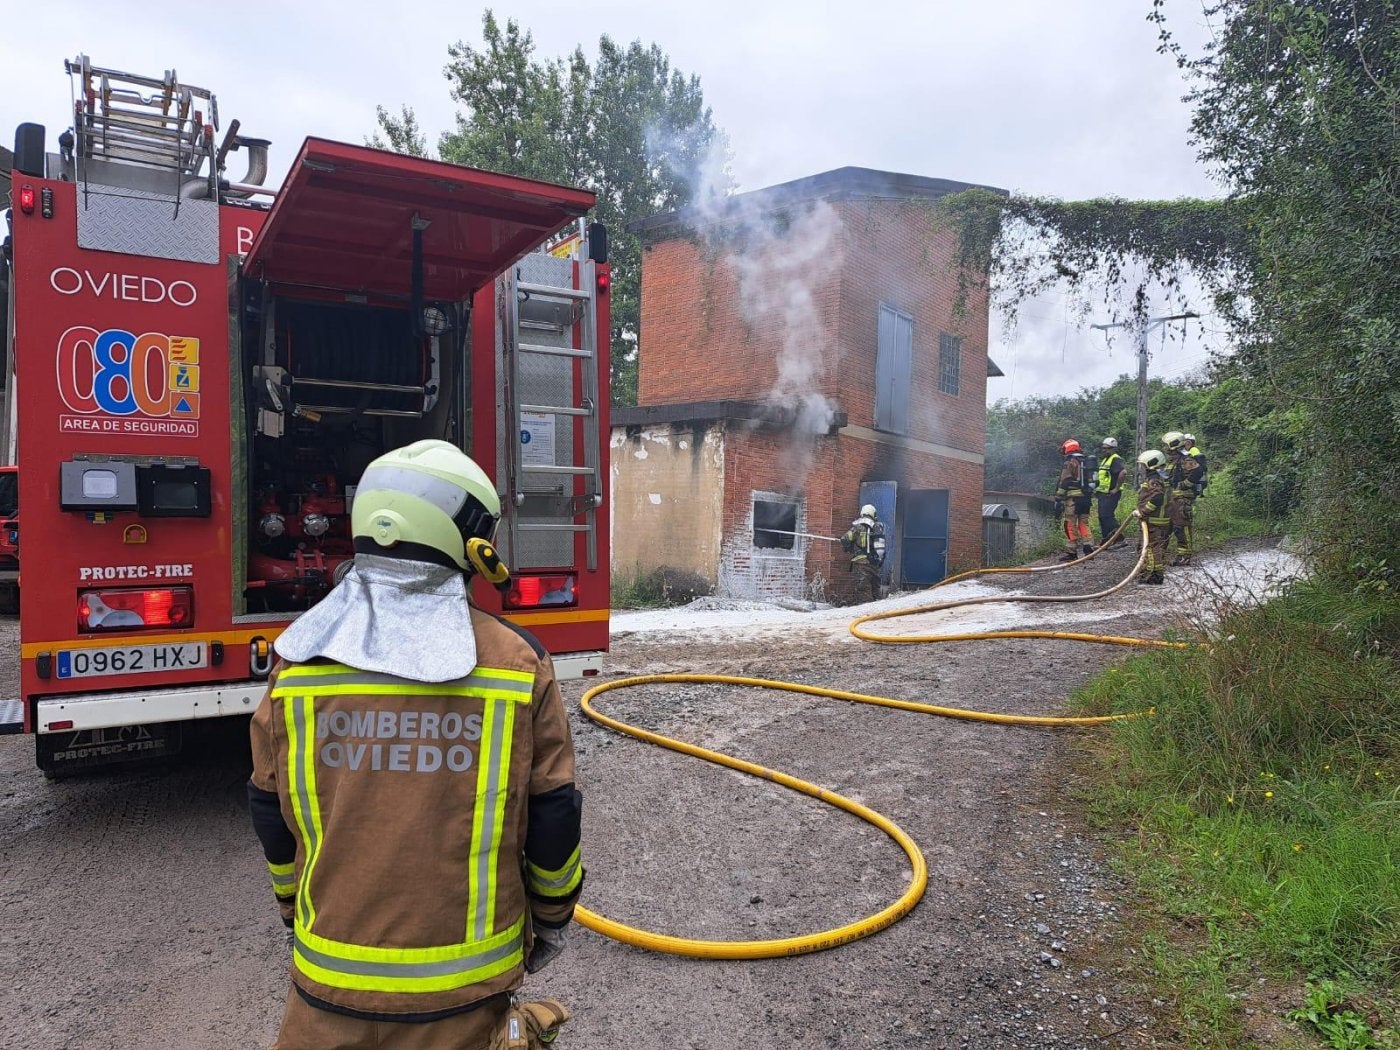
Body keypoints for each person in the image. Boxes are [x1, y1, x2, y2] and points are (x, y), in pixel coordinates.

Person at [247, 439, 582, 1050]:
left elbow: (270, 806)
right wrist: (553, 919)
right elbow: (555, 814)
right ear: (470, 542)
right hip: (466, 993)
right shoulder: (515, 663)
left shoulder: (297, 663)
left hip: (326, 985)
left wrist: (293, 906)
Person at [1163, 430, 1204, 566]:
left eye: (1167, 445)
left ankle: (1184, 556)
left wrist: (1183, 485)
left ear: (1173, 445)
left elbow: (1198, 471)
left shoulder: (1185, 458)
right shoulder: (1173, 460)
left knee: (1179, 527)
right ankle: (1160, 553)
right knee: (1167, 527)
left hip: (1182, 499)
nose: (1166, 448)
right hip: (1172, 499)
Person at [1132, 449, 1173, 584]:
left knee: (1150, 546)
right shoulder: (1162, 477)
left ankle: (1152, 575)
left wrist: (1143, 512)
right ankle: (1155, 573)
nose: (1142, 468)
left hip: (1153, 519)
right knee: (1155, 547)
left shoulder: (1154, 480)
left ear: (1151, 464)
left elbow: (1157, 498)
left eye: (1144, 465)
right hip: (1160, 518)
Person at [1053, 439, 1095, 561]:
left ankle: (1072, 553)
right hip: (1086, 499)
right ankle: (1088, 549)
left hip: (1073, 501)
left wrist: (1058, 497)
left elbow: (1064, 481)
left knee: (1070, 524)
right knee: (1083, 523)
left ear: (1067, 449)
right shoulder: (1087, 461)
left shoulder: (1069, 462)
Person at [841, 503, 887, 602]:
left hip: (861, 563)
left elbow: (845, 539)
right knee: (876, 590)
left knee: (863, 591)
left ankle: (866, 613)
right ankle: (878, 613)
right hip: (874, 564)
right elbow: (881, 549)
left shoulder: (858, 527)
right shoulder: (877, 527)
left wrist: (849, 548)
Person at [1095, 437, 1127, 548]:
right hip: (1103, 493)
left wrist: (1116, 488)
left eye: (1106, 448)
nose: (1104, 450)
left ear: (1113, 449)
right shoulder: (1106, 459)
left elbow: (1123, 473)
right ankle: (1106, 541)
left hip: (1111, 493)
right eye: (1103, 448)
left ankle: (1120, 539)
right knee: (1102, 517)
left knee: (1107, 516)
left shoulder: (1115, 459)